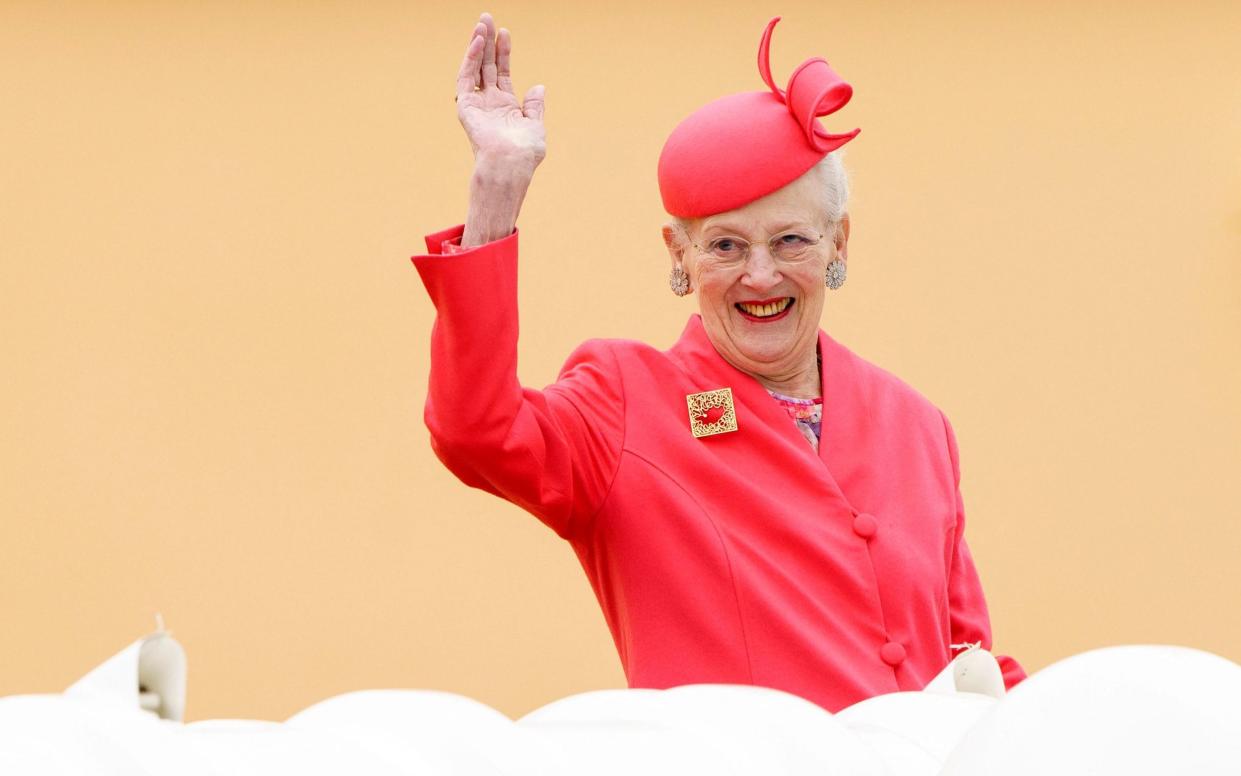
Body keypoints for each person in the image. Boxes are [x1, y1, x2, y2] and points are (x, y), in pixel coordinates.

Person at [410, 11, 1027, 714]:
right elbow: (474, 431)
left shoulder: (917, 424)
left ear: (838, 246)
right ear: (680, 257)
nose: (759, 276)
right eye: (726, 247)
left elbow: (965, 659)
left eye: (790, 240)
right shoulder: (626, 403)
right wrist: (495, 195)